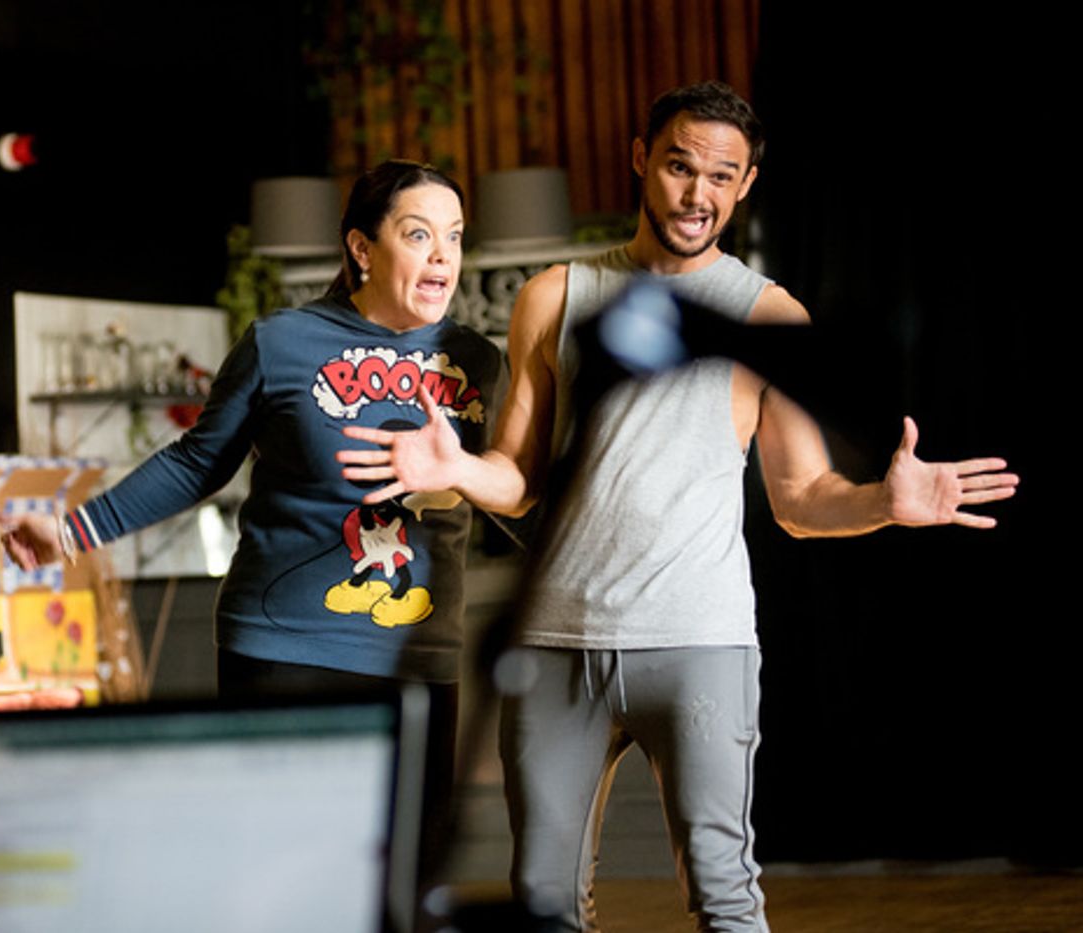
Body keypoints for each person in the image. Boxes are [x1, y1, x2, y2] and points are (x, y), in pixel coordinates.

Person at [335, 82, 1018, 932]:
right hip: (556, 642)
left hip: (700, 640)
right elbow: (520, 475)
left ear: (747, 184)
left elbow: (800, 500)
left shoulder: (768, 314)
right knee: (544, 901)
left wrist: (884, 499)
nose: (698, 193)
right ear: (641, 159)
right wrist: (460, 468)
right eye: (679, 166)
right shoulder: (554, 295)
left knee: (725, 894)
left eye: (721, 176)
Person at [1, 159, 504, 878]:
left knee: (404, 879)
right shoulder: (281, 342)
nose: (442, 257)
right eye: (418, 234)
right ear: (362, 247)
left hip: (418, 654)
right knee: (277, 876)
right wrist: (73, 531)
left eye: (454, 236)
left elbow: (518, 490)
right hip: (284, 645)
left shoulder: (477, 362)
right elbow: (196, 462)